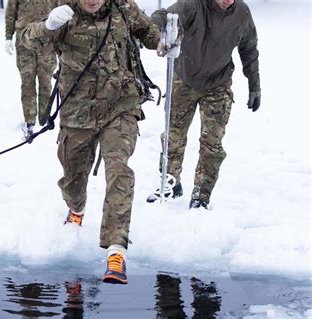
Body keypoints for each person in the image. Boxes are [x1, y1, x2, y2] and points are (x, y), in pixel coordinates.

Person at [21, 0, 162, 284]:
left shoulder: (123, 8)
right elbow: (28, 39)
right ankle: (76, 209)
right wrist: (48, 25)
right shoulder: (66, 14)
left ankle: (116, 251)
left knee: (119, 168)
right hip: (77, 113)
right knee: (73, 180)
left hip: (120, 106)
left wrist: (165, 42)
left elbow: (150, 35)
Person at [151, 0, 260, 209]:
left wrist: (255, 86)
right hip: (184, 79)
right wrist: (154, 31)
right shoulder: (192, 5)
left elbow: (249, 49)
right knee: (173, 136)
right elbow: (166, 16)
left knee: (212, 143)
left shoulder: (242, 13)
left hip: (218, 85)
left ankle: (201, 194)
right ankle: (170, 182)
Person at [5, 0, 58, 139]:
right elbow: (11, 12)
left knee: (45, 81)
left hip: (47, 40)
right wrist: (8, 36)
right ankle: (29, 121)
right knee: (27, 82)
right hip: (24, 40)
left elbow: (60, 10)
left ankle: (44, 119)